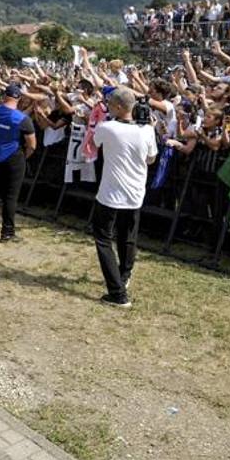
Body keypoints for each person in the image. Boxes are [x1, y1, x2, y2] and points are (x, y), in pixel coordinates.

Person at [92, 87, 157, 308]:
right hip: (135, 193)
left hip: (111, 193)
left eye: (110, 104)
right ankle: (124, 276)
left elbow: (96, 143)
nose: (107, 107)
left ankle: (118, 292)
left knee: (103, 239)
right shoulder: (146, 130)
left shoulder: (107, 127)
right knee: (127, 237)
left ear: (119, 107)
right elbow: (151, 159)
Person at [0, 84, 36, 241]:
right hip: (13, 157)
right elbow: (32, 145)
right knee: (10, 196)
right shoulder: (22, 119)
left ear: (4, 96)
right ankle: (7, 232)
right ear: (19, 98)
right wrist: (24, 157)